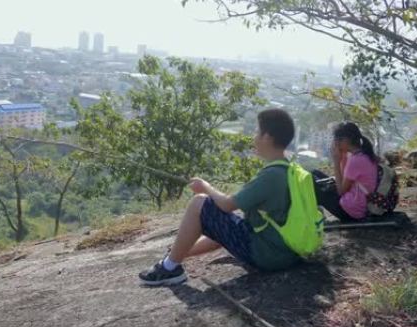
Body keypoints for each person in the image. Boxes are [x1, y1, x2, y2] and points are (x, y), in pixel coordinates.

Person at [139, 108, 303, 286]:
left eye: (257, 132)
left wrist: (205, 187)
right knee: (233, 220)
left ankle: (170, 269)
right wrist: (180, 250)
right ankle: (177, 255)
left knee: (200, 203)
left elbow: (227, 205)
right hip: (285, 252)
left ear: (267, 137)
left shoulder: (270, 176)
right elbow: (227, 228)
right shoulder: (289, 170)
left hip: (267, 255)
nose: (254, 137)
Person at [312, 122, 378, 222]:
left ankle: (313, 217)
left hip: (351, 211)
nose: (336, 144)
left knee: (311, 182)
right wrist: (342, 158)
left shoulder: (355, 160)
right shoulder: (363, 155)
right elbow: (344, 181)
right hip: (358, 203)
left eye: (337, 141)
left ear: (346, 140)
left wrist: (336, 162)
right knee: (315, 173)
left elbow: (341, 191)